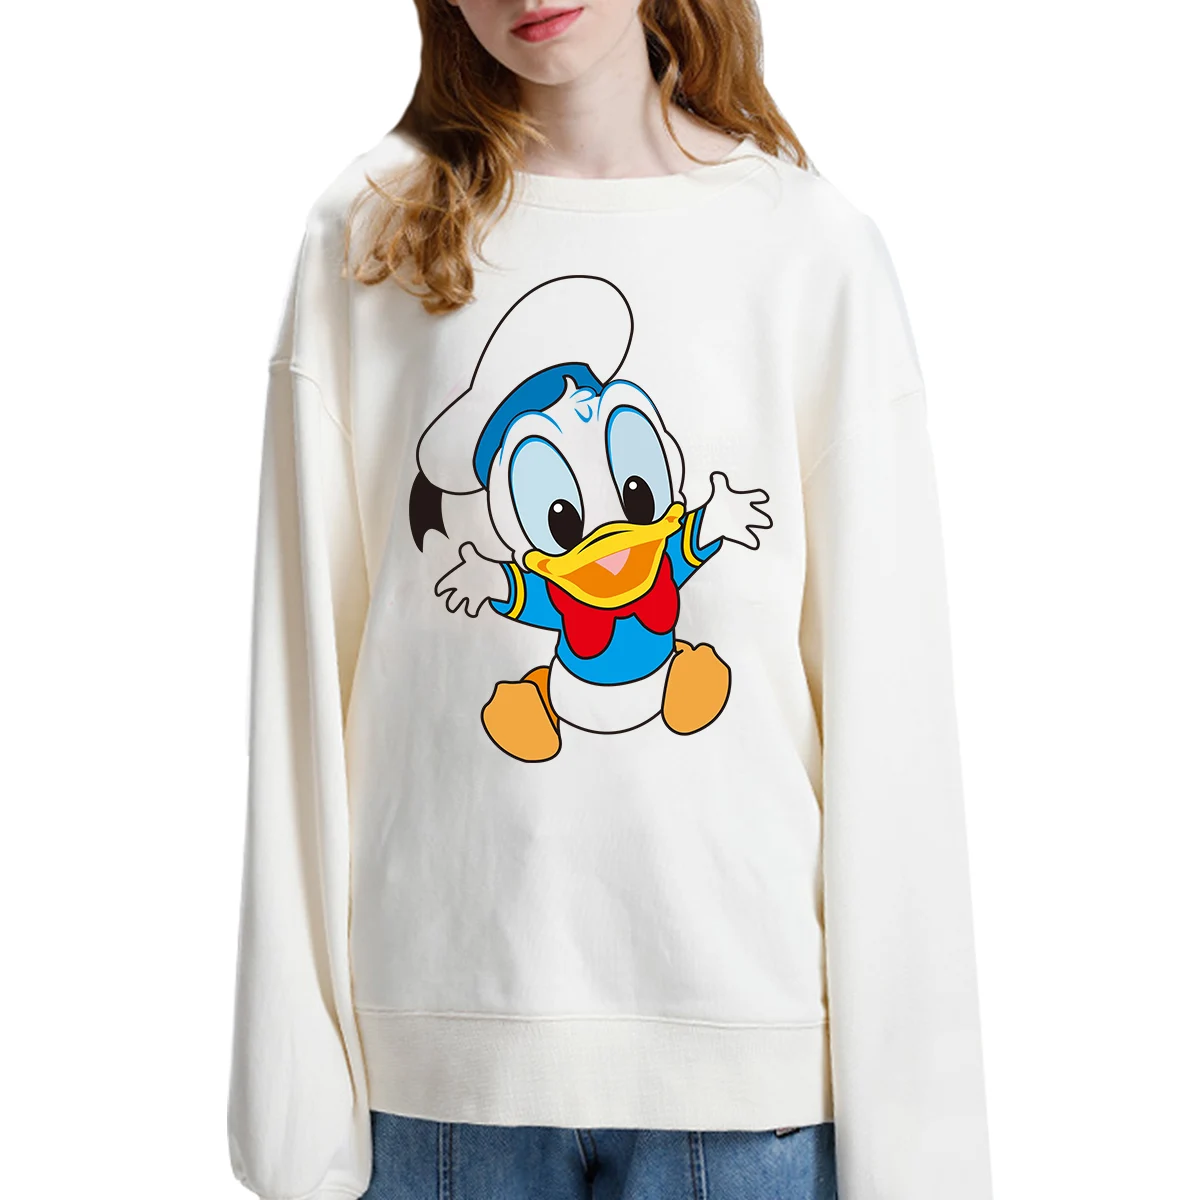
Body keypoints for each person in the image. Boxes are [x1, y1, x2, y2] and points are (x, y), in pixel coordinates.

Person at [226, 1, 993, 1197]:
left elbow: (890, 713)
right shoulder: (371, 237)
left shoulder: (808, 251)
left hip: (747, 1081)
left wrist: (922, 1158)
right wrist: (292, 1098)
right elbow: (300, 683)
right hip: (439, 1080)